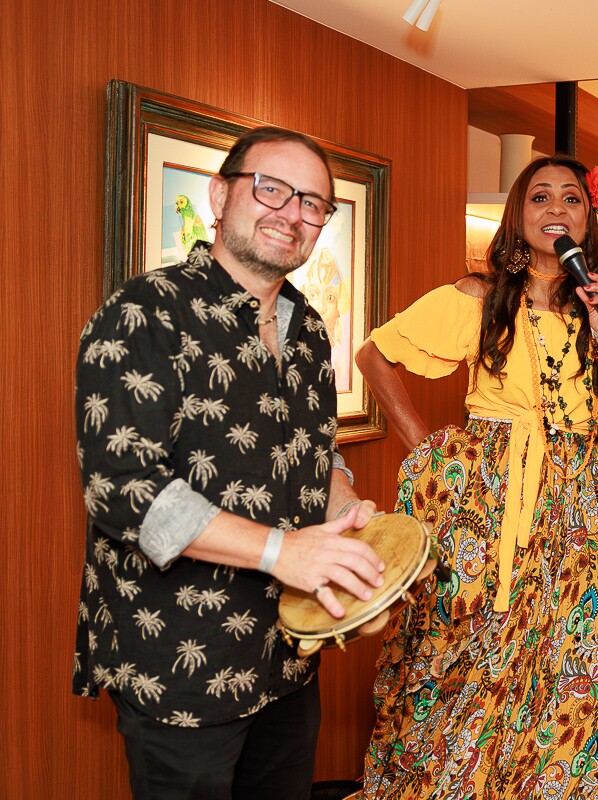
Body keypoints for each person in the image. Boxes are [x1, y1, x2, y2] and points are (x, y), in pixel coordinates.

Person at [73, 126, 387, 800]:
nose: (292, 213)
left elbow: (314, 450)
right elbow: (126, 493)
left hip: (288, 660)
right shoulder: (142, 314)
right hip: (181, 668)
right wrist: (283, 551)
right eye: (271, 188)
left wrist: (344, 510)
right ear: (219, 195)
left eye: (312, 203)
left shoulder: (309, 331)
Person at [353, 155, 598, 799]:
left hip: (577, 511)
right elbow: (375, 357)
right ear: (517, 216)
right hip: (486, 508)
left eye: (571, 198)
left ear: (589, 216)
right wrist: (428, 453)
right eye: (539, 197)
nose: (556, 209)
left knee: (575, 657)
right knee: (470, 656)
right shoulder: (476, 297)